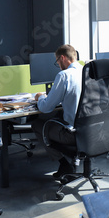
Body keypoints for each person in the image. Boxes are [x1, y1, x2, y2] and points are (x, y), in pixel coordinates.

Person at [31, 44, 83, 179]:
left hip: (72, 134)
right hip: (93, 130)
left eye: (57, 62)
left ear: (63, 58)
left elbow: (45, 107)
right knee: (59, 116)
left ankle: (64, 163)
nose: (58, 65)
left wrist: (40, 97)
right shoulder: (87, 72)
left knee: (38, 124)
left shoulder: (64, 75)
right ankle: (71, 161)